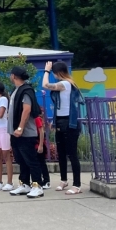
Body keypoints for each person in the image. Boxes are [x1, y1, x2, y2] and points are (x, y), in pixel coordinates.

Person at [42, 60, 83, 194]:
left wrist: (46, 71)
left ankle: (77, 185)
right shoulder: (64, 84)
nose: (53, 75)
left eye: (54, 72)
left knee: (72, 154)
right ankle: (64, 180)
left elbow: (45, 85)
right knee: (61, 153)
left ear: (58, 72)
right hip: (60, 120)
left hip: (69, 122)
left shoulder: (66, 84)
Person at [6, 66, 44, 198]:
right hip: (15, 133)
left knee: (31, 160)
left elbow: (27, 110)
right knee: (21, 160)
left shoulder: (26, 90)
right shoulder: (16, 90)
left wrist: (20, 128)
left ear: (14, 76)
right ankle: (24, 184)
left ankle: (37, 185)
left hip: (25, 133)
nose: (10, 76)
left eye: (11, 74)